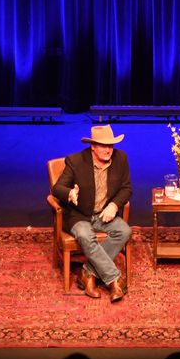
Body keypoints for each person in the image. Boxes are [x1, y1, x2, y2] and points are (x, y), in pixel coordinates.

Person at [52, 124, 133, 301]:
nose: (108, 149)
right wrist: (70, 193)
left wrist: (113, 205)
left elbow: (126, 189)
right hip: (78, 214)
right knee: (85, 236)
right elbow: (57, 188)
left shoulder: (121, 159)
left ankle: (88, 272)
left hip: (103, 213)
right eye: (103, 145)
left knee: (124, 231)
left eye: (110, 145)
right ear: (93, 147)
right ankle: (114, 280)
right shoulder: (76, 161)